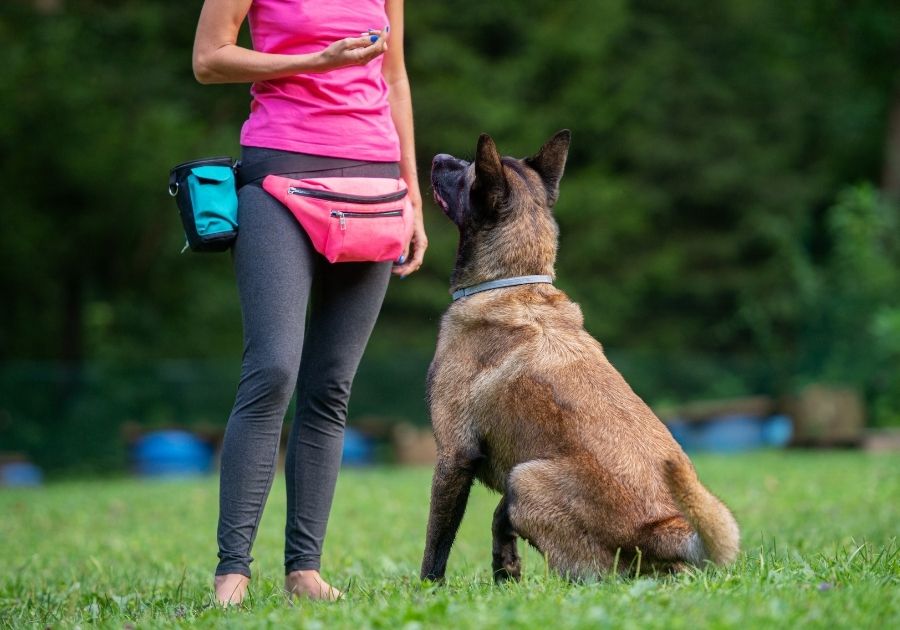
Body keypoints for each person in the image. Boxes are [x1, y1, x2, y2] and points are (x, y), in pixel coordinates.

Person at [192, 0, 426, 605]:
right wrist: (313, 61)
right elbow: (208, 59)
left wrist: (413, 196)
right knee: (272, 369)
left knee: (330, 387)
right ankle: (232, 570)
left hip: (374, 181)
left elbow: (394, 76)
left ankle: (304, 569)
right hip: (279, 173)